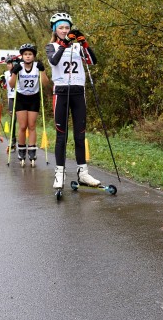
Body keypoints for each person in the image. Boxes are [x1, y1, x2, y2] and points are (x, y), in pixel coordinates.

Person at [46, 12, 101, 189]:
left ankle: (83, 172)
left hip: (78, 92)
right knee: (61, 134)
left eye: (67, 27)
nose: (64, 30)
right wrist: (64, 44)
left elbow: (93, 61)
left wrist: (84, 43)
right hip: (61, 92)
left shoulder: (77, 48)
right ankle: (60, 173)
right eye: (61, 27)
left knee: (80, 134)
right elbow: (54, 62)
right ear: (55, 29)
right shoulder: (51, 46)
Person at [8, 44, 49, 166]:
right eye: (25, 54)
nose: (27, 56)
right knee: (22, 126)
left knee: (32, 125)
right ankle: (21, 150)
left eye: (30, 54)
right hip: (21, 97)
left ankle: (31, 150)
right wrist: (14, 73)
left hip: (34, 98)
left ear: (34, 56)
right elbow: (11, 85)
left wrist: (42, 71)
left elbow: (45, 83)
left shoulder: (38, 67)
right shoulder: (18, 67)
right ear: (22, 56)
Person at [0, 57, 18, 150]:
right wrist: (2, 81)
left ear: (14, 64)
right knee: (13, 119)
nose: (8, 65)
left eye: (9, 63)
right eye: (7, 64)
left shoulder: (19, 71)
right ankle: (13, 140)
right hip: (11, 97)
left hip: (20, 97)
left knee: (23, 120)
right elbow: (5, 86)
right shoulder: (6, 73)